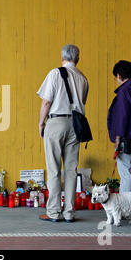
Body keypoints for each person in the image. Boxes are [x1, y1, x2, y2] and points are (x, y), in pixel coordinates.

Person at [36, 44, 89, 223]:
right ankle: (69, 213)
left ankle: (53, 212)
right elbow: (82, 103)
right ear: (78, 58)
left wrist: (41, 123)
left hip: (56, 122)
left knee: (53, 169)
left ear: (62, 58)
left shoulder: (55, 73)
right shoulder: (83, 78)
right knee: (71, 170)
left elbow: (46, 102)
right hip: (75, 124)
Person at [107, 60, 131, 194]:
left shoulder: (123, 92)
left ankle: (126, 207)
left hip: (124, 137)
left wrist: (118, 138)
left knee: (126, 172)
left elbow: (121, 117)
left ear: (118, 75)